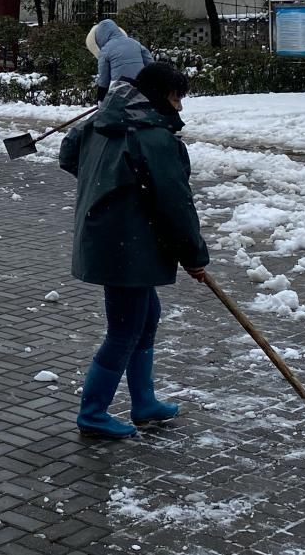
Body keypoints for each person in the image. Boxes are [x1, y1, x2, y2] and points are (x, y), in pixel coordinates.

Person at [59, 61, 209, 439]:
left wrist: (109, 184)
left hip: (118, 239)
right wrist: (194, 256)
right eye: (175, 97)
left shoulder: (100, 122)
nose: (179, 106)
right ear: (159, 96)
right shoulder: (153, 138)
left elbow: (69, 155)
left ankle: (144, 401)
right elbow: (175, 204)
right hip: (126, 245)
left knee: (146, 317)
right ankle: (93, 413)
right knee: (124, 329)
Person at [87, 19, 154, 102]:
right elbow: (150, 63)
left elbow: (104, 79)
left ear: (100, 38)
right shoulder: (135, 43)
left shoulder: (105, 50)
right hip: (140, 87)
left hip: (120, 90)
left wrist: (101, 98)